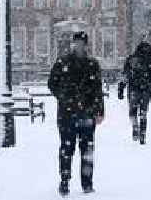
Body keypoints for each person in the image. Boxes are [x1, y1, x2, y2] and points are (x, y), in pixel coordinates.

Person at [48, 31, 104, 196]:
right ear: (72, 44)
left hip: (86, 114)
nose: (78, 46)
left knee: (87, 150)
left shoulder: (92, 64)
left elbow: (97, 89)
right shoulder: (62, 62)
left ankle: (87, 183)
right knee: (67, 148)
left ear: (86, 45)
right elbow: (52, 83)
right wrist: (64, 97)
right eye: (76, 43)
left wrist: (99, 110)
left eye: (81, 43)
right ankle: (64, 181)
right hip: (67, 114)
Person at [118, 41, 151, 144]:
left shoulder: (131, 60)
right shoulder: (150, 61)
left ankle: (135, 126)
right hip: (146, 89)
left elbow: (125, 75)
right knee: (143, 112)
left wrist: (121, 88)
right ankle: (142, 134)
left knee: (132, 110)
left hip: (133, 88)